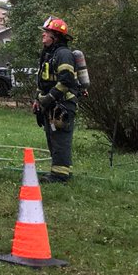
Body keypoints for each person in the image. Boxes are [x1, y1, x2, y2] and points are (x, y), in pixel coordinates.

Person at [34, 16, 82, 183]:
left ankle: (60, 175)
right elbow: (43, 79)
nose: (43, 35)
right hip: (51, 103)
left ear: (55, 36)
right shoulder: (48, 54)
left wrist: (50, 97)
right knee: (52, 136)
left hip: (62, 104)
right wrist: (38, 99)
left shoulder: (63, 54)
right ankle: (58, 171)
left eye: (46, 33)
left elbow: (66, 80)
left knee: (60, 137)